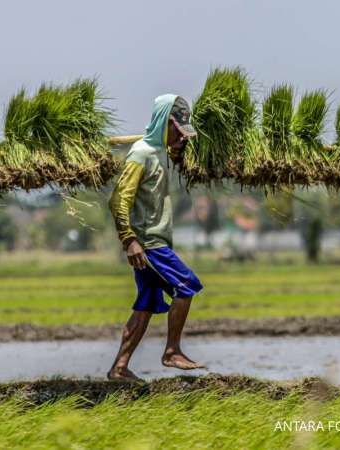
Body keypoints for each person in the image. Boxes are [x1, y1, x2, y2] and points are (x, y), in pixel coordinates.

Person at [107, 94, 205, 381]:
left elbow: (171, 153)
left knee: (146, 304)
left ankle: (119, 367)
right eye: (177, 130)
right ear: (165, 123)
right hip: (149, 244)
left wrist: (177, 149)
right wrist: (129, 240)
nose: (181, 137)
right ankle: (172, 351)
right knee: (187, 285)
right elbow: (118, 200)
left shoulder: (157, 151)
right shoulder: (140, 154)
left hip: (152, 241)